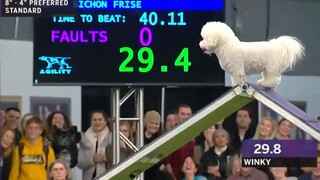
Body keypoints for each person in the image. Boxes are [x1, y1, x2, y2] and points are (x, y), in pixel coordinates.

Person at [77, 110, 112, 180]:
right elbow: (79, 161)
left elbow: (120, 157)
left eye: (100, 119)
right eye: (94, 120)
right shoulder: (84, 138)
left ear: (105, 122)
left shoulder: (112, 137)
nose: (97, 122)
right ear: (91, 122)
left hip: (109, 176)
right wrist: (92, 159)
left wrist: (106, 157)